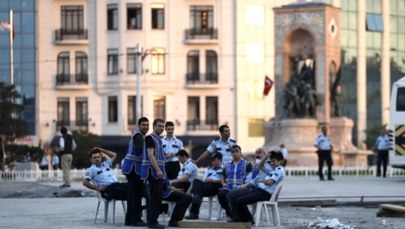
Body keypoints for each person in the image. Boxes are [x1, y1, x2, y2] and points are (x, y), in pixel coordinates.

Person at [227, 151, 285, 223]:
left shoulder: (279, 171)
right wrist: (266, 156)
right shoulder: (273, 170)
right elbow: (260, 166)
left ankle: (248, 220)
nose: (272, 163)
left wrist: (261, 180)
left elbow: (270, 182)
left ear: (281, 161)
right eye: (271, 161)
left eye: (274, 161)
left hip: (264, 193)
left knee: (240, 200)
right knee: (235, 197)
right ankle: (239, 219)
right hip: (259, 190)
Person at [121, 117, 149, 227]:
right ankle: (135, 220)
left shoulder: (139, 135)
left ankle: (129, 220)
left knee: (133, 195)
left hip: (131, 168)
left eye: (147, 125)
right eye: (143, 125)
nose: (146, 127)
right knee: (136, 195)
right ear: (139, 125)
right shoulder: (138, 136)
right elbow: (143, 150)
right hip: (134, 168)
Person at [185, 153, 225, 220]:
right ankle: (196, 197)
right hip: (205, 185)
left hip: (216, 186)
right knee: (196, 181)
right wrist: (204, 180)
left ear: (219, 160)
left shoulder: (224, 168)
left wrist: (212, 181)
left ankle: (194, 213)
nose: (212, 162)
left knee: (198, 193)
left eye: (213, 160)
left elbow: (225, 181)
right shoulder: (209, 169)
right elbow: (204, 179)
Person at [217, 145, 252, 220]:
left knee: (233, 196)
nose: (235, 153)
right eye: (233, 152)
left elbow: (251, 177)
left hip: (242, 188)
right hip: (229, 187)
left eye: (237, 151)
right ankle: (229, 212)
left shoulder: (247, 164)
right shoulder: (227, 164)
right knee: (221, 194)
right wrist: (223, 183)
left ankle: (237, 216)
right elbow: (222, 176)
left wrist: (245, 185)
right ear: (231, 154)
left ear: (240, 153)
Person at [142, 118, 166, 229]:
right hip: (153, 172)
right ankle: (152, 222)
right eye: (159, 126)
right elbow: (150, 155)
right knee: (154, 197)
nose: (162, 128)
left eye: (163, 126)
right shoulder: (150, 138)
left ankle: (153, 220)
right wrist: (157, 170)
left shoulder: (159, 140)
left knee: (157, 197)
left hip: (158, 173)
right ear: (154, 126)